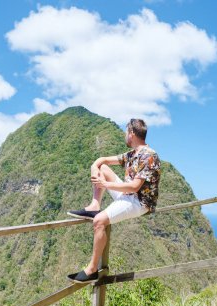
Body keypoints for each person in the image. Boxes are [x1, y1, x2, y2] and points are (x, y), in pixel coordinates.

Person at [67, 118, 161, 283]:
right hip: (127, 194)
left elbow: (134, 187)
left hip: (139, 202)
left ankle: (92, 269)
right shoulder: (131, 155)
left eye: (126, 132)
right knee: (103, 168)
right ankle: (94, 205)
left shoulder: (149, 156)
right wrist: (94, 166)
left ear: (131, 133)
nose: (125, 136)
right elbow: (103, 160)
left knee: (99, 221)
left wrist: (104, 184)